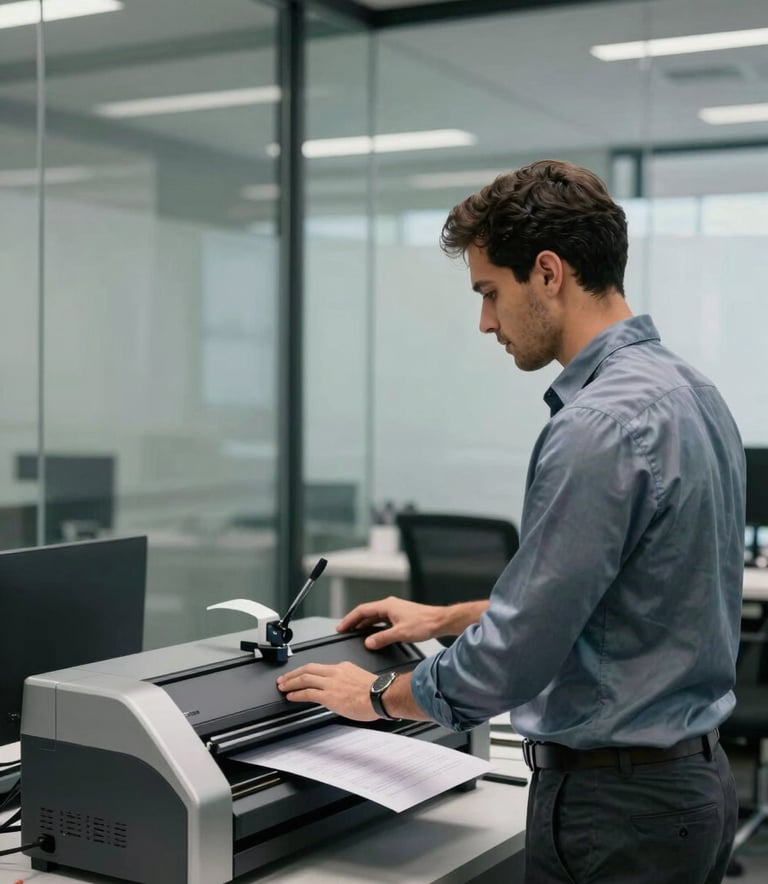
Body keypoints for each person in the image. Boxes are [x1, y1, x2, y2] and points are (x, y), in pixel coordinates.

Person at [277, 160, 745, 883]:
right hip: (687, 789)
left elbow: (518, 653)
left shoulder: (598, 425)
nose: (486, 322)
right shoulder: (693, 393)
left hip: (614, 808)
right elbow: (628, 600)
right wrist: (446, 617)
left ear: (549, 273)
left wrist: (374, 697)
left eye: (491, 292)